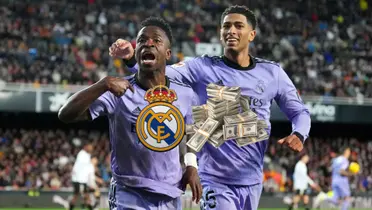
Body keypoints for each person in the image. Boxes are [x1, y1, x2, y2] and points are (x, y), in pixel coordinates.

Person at [109, 5, 311, 210]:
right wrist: (130, 57)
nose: (231, 30)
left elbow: (299, 112)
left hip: (252, 179)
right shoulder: (201, 68)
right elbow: (158, 72)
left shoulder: (272, 73)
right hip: (214, 179)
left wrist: (299, 133)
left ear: (252, 34)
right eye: (226, 26)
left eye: (238, 26)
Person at [59, 17, 202, 210]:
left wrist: (192, 165)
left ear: (168, 54)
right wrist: (104, 83)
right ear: (136, 54)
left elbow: (192, 128)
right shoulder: (117, 91)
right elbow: (65, 114)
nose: (148, 43)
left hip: (170, 195)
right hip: (128, 194)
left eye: (156, 40)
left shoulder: (185, 94)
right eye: (142, 40)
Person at [69, 142, 93, 210]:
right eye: (90, 147)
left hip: (81, 179)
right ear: (85, 147)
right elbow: (83, 168)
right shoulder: (82, 154)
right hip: (79, 179)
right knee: (78, 195)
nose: (91, 149)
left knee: (83, 194)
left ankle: (89, 206)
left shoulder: (86, 155)